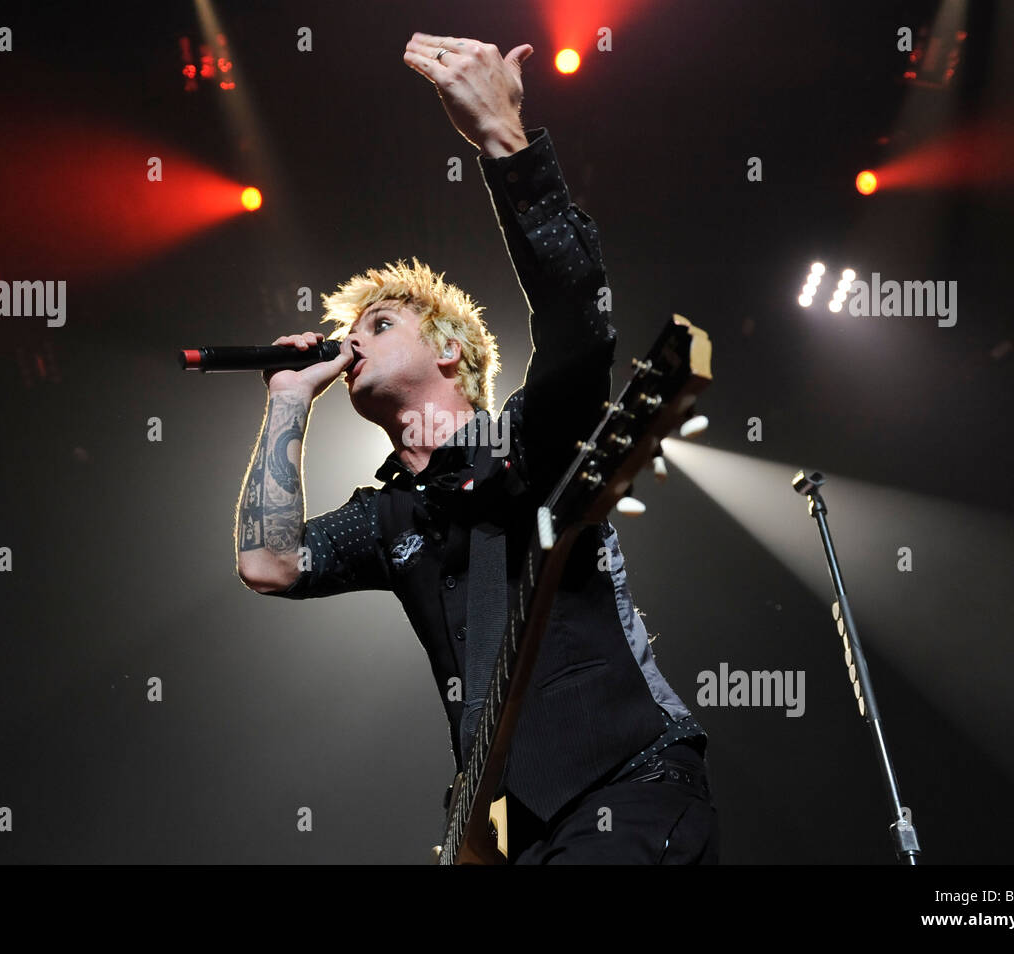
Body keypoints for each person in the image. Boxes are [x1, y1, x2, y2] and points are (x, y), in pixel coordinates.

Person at [235, 31, 718, 864]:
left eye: (379, 325)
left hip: (626, 789)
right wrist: (285, 402)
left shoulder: (528, 441)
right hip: (515, 835)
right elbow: (267, 564)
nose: (351, 344)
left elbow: (578, 323)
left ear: (451, 351)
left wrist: (504, 136)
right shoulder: (388, 518)